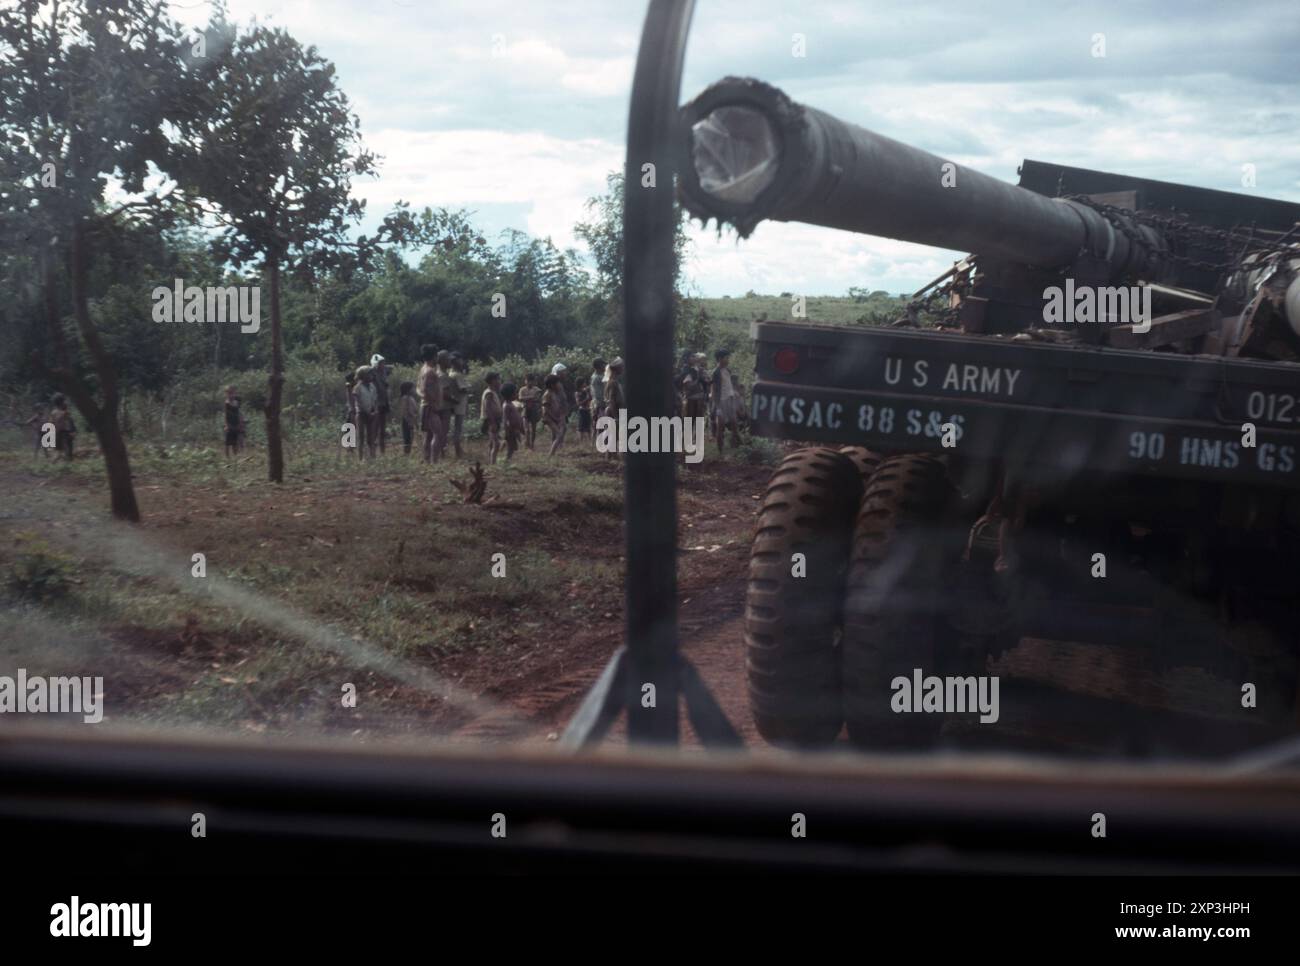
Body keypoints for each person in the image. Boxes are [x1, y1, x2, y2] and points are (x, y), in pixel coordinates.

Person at [710, 348, 743, 453]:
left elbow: (728, 386)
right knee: (720, 428)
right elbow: (714, 390)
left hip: (730, 400)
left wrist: (735, 394)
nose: (728, 360)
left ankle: (739, 449)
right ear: (720, 359)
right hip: (722, 402)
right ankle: (720, 452)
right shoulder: (716, 372)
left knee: (735, 425)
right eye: (726, 358)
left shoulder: (727, 370)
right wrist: (718, 407)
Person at [416, 344, 443, 463]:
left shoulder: (423, 369)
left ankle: (427, 460)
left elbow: (418, 389)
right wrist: (434, 405)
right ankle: (434, 462)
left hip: (426, 405)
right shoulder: (430, 372)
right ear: (434, 357)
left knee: (429, 435)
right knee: (438, 434)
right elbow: (427, 391)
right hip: (430, 406)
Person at [354, 365, 379, 460]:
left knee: (371, 437)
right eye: (369, 374)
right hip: (361, 414)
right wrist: (367, 412)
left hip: (372, 413)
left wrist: (375, 410)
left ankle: (372, 456)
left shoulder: (372, 387)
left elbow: (375, 400)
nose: (372, 376)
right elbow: (359, 402)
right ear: (363, 376)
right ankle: (360, 458)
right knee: (361, 437)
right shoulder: (357, 388)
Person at [435, 350, 456, 460]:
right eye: (448, 359)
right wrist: (454, 400)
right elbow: (444, 393)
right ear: (442, 361)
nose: (450, 362)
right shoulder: (443, 376)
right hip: (444, 408)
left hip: (439, 407)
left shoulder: (439, 374)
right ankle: (441, 455)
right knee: (443, 432)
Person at [602, 358, 624, 460]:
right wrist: (616, 417)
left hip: (615, 411)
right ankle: (609, 459)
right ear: (616, 369)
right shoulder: (613, 383)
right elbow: (611, 401)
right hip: (613, 412)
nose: (623, 369)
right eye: (621, 367)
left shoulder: (614, 382)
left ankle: (611, 458)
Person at [369, 353, 391, 455]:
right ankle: (372, 450)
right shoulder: (372, 374)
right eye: (381, 363)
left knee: (382, 429)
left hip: (384, 402)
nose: (383, 365)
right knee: (374, 428)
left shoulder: (384, 373)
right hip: (376, 403)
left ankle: (382, 451)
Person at [450, 354, 471, 458]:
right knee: (458, 428)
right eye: (461, 360)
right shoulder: (458, 375)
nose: (462, 362)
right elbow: (463, 389)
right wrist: (468, 389)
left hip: (454, 404)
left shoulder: (451, 373)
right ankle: (458, 450)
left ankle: (457, 449)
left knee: (456, 427)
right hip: (459, 404)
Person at [480, 371, 503, 465]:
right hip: (490, 420)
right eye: (498, 379)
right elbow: (488, 408)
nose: (499, 381)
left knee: (492, 442)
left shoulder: (493, 392)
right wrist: (492, 422)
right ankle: (493, 464)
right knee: (496, 444)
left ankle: (490, 461)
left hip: (494, 420)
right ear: (493, 381)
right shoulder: (489, 393)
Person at [542, 373, 567, 456]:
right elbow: (546, 409)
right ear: (552, 385)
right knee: (559, 435)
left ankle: (555, 452)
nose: (558, 385)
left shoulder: (553, 393)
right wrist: (554, 418)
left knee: (556, 434)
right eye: (557, 383)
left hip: (554, 417)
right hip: (549, 418)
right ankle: (550, 455)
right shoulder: (547, 394)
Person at [500, 383, 525, 462]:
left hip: (515, 429)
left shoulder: (511, 404)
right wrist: (507, 431)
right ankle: (507, 460)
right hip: (511, 430)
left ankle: (507, 458)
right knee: (511, 447)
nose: (516, 394)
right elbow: (506, 419)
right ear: (510, 395)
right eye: (515, 393)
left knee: (513, 446)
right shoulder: (506, 405)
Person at [519, 373, 542, 450]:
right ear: (525, 381)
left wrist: (527, 398)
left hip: (534, 410)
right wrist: (531, 397)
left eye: (531, 381)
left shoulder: (537, 389)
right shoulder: (522, 389)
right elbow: (520, 398)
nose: (529, 383)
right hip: (525, 409)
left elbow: (538, 399)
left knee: (533, 429)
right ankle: (527, 443)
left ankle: (532, 444)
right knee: (526, 429)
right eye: (528, 381)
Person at [49, 393, 76, 461]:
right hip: (63, 433)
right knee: (67, 451)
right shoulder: (64, 412)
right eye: (64, 401)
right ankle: (67, 463)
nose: (65, 402)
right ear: (61, 402)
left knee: (59, 452)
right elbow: (70, 422)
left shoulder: (53, 412)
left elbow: (51, 423)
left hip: (57, 433)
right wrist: (72, 431)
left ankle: (54, 462)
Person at [398, 381, 419, 456]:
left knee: (410, 438)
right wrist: (410, 421)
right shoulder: (405, 398)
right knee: (407, 438)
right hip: (407, 421)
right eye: (413, 388)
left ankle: (408, 453)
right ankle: (406, 453)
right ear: (408, 389)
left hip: (411, 420)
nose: (414, 389)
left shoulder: (411, 398)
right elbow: (406, 411)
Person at [589, 358, 606, 449]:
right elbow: (598, 394)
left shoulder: (598, 376)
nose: (605, 366)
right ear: (599, 366)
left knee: (597, 425)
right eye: (603, 365)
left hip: (598, 404)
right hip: (599, 405)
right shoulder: (597, 378)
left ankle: (595, 444)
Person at [223, 386, 241, 458]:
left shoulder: (236, 402)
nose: (231, 395)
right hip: (229, 425)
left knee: (235, 442)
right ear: (227, 394)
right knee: (227, 443)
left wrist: (240, 423)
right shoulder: (226, 403)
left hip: (236, 424)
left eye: (233, 393)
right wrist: (226, 425)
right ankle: (227, 458)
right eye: (229, 393)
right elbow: (226, 415)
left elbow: (238, 413)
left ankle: (235, 457)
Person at [575, 377, 592, 443]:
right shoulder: (577, 393)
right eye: (584, 382)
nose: (585, 384)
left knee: (588, 427)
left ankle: (590, 441)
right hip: (582, 411)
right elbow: (578, 403)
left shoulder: (586, 391)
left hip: (588, 410)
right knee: (581, 427)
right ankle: (581, 442)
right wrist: (587, 399)